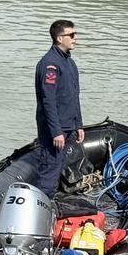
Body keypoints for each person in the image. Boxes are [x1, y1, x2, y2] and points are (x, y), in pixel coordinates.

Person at [35, 19, 84, 198]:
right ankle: (39, 209)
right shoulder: (50, 64)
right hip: (56, 130)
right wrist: (56, 132)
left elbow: (73, 96)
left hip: (69, 126)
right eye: (71, 35)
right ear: (59, 38)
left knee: (58, 169)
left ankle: (51, 205)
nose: (75, 38)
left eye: (75, 34)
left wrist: (78, 124)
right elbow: (48, 101)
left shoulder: (69, 63)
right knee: (49, 172)